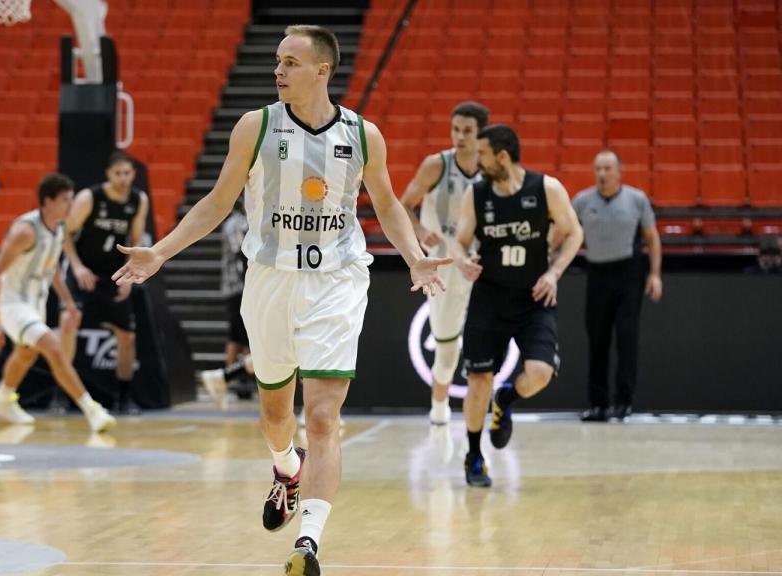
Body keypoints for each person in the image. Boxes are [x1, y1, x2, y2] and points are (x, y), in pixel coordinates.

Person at [111, 25, 450, 575]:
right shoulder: (256, 126)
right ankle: (285, 469)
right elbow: (219, 201)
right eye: (276, 61)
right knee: (275, 414)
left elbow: (387, 204)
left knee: (321, 416)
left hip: (338, 280)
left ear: (322, 71)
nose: (278, 71)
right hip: (270, 277)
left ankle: (309, 544)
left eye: (290, 62)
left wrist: (413, 255)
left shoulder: (364, 135)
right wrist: (163, 251)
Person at [448, 125, 583, 488]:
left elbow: (574, 233)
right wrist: (461, 261)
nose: (477, 163)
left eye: (482, 155)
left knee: (539, 373)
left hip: (533, 299)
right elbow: (459, 242)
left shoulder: (546, 189)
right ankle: (474, 456)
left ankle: (506, 399)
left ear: (502, 157)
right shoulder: (476, 195)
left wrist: (554, 272)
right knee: (478, 382)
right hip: (489, 298)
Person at [0, 172, 116, 433]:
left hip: (34, 303)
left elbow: (51, 266)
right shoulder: (25, 231)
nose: (70, 205)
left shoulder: (60, 228)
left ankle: (2, 398)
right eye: (66, 200)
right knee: (52, 347)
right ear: (47, 201)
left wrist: (68, 302)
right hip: (12, 303)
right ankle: (92, 410)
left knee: (26, 353)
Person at [399, 101, 489, 426]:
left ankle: (482, 414)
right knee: (447, 349)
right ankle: (439, 405)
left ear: (481, 135)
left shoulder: (490, 171)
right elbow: (403, 206)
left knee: (486, 345)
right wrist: (421, 231)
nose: (460, 136)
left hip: (479, 266)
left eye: (468, 131)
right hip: (444, 267)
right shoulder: (435, 165)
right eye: (456, 129)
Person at [573, 151, 663, 423]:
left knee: (626, 337)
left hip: (629, 273)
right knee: (597, 340)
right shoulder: (582, 200)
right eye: (598, 168)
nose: (602, 173)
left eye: (608, 168)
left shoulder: (636, 199)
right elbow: (563, 233)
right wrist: (548, 260)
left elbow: (652, 237)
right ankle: (598, 404)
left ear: (619, 172)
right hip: (597, 273)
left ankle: (624, 402)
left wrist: (655, 274)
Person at [62, 152, 148, 414]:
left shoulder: (137, 200)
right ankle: (63, 394)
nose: (123, 178)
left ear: (133, 173)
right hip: (84, 270)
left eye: (128, 173)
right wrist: (77, 267)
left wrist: (130, 277)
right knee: (69, 323)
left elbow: (135, 241)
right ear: (108, 174)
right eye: (118, 173)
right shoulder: (89, 197)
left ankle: (123, 398)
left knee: (127, 336)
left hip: (114, 273)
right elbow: (64, 233)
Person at [200, 200, 255, 409]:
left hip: (240, 286)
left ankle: (223, 380)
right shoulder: (235, 224)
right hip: (238, 287)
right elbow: (241, 255)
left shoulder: (246, 221)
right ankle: (227, 381)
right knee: (240, 337)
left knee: (236, 336)